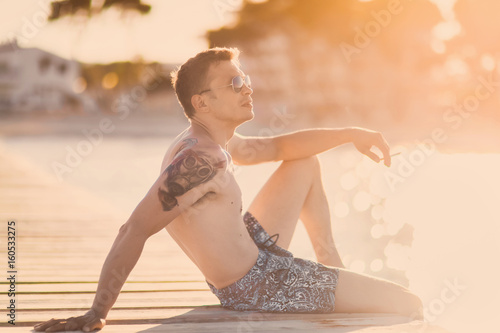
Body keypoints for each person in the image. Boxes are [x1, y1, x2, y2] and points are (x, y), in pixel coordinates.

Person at [34, 47, 423, 332]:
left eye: (246, 80)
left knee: (304, 163)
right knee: (410, 304)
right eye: (235, 83)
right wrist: (97, 313)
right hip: (259, 285)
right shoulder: (199, 161)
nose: (247, 89)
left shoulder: (210, 143)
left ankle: (330, 264)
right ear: (202, 102)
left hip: (253, 250)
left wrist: (350, 133)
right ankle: (329, 281)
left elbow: (279, 148)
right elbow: (133, 230)